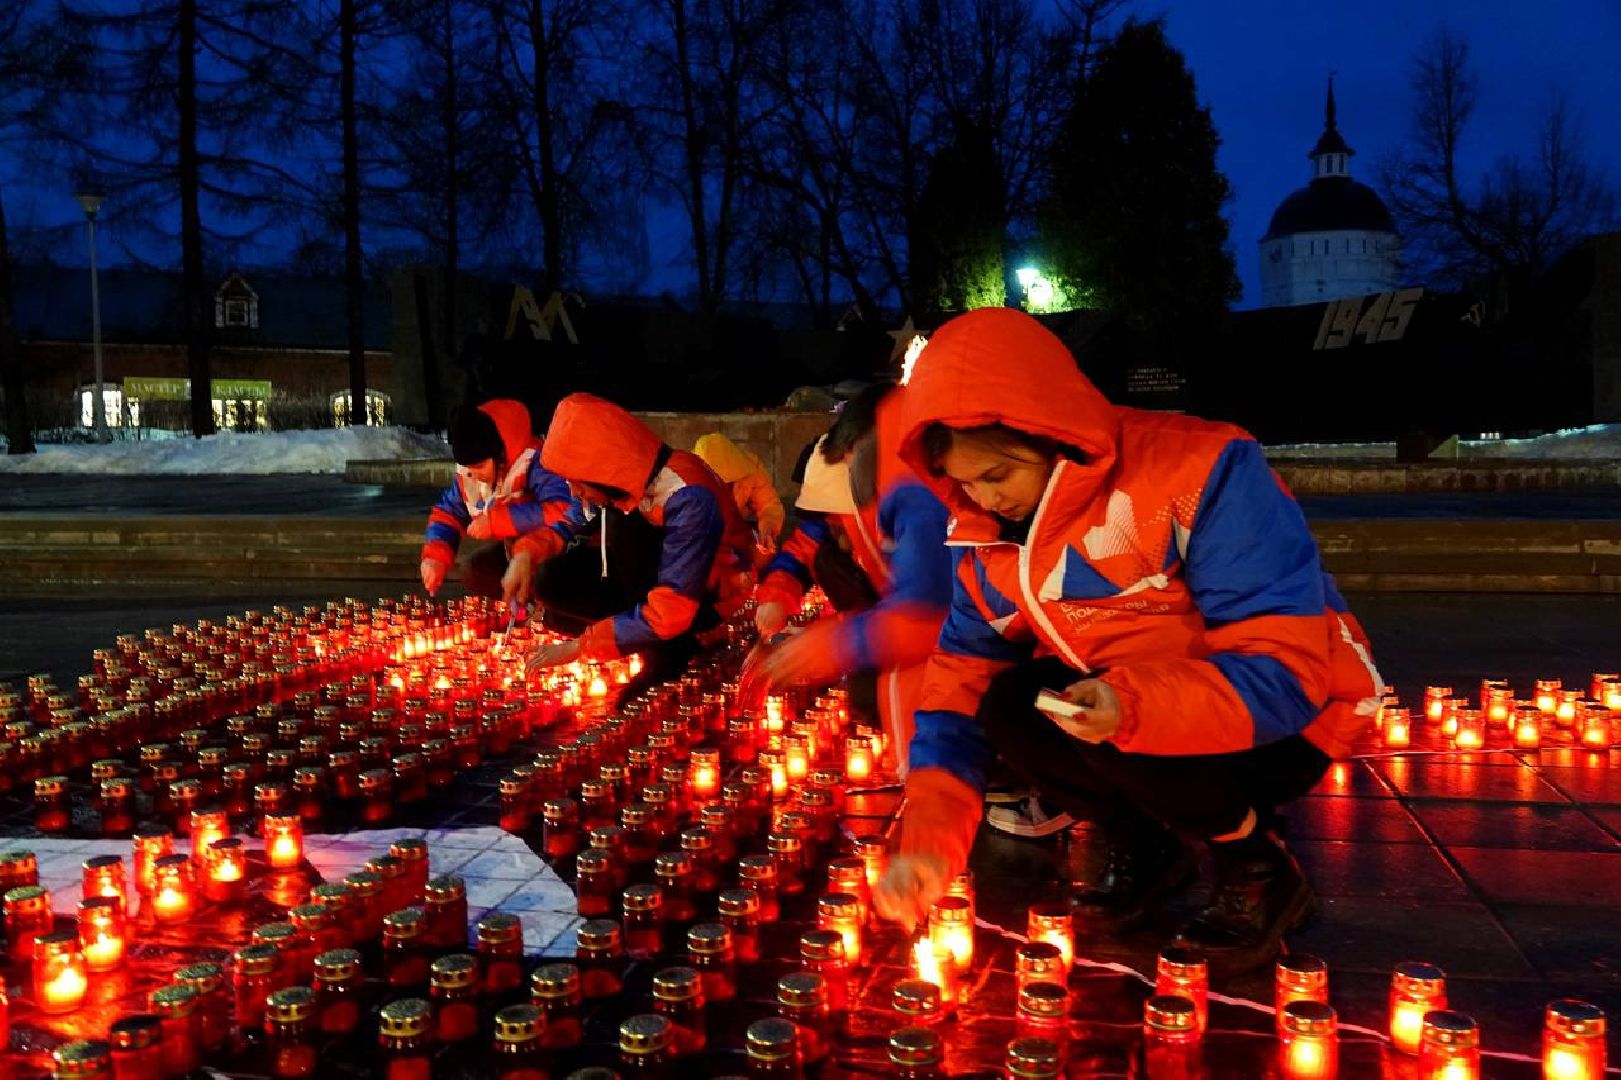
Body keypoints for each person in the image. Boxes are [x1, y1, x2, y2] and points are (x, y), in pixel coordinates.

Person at [871, 308, 1383, 976]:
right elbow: (960, 677)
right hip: (1124, 704)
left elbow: (1284, 667)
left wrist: (1128, 705)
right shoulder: (982, 531)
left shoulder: (1199, 469)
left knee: (1115, 726)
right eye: (962, 482)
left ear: (1048, 432)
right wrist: (930, 840)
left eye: (996, 475)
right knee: (1008, 706)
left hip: (1289, 718)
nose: (983, 501)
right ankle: (1142, 841)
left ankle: (1256, 863)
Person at [748, 384, 953, 771]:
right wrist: (774, 599)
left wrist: (838, 641)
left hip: (929, 642)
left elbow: (925, 614)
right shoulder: (838, 514)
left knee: (873, 686)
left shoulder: (915, 508)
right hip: (890, 623)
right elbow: (798, 553)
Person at [503, 392, 756, 674]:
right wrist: (525, 554)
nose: (574, 491)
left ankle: (670, 652)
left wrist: (581, 647)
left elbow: (675, 606)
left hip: (706, 598)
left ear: (601, 471)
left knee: (629, 531)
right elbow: (569, 522)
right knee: (551, 578)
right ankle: (632, 632)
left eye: (577, 482)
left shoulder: (689, 497)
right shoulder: (627, 480)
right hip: (653, 584)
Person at [419, 399, 577, 599]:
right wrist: (435, 557)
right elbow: (448, 513)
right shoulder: (469, 473)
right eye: (468, 467)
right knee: (474, 571)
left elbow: (563, 509)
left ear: (499, 454)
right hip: (513, 550)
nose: (473, 475)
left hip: (556, 549)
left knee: (543, 581)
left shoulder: (536, 461)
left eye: (479, 466)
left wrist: (498, 521)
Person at [692, 432, 787, 560]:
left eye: (727, 482)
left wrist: (768, 529)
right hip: (700, 539)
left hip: (737, 532)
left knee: (765, 554)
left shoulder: (750, 470)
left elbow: (769, 505)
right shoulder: (686, 479)